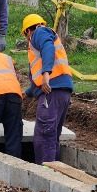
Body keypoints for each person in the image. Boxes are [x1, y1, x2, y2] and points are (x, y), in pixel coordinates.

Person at [21, 14, 74, 164]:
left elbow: (48, 47)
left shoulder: (39, 32)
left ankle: (46, 174)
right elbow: (36, 82)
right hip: (61, 91)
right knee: (51, 136)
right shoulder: (42, 36)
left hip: (51, 91)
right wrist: (27, 93)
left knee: (44, 137)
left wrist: (46, 73)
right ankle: (54, 170)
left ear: (28, 32)